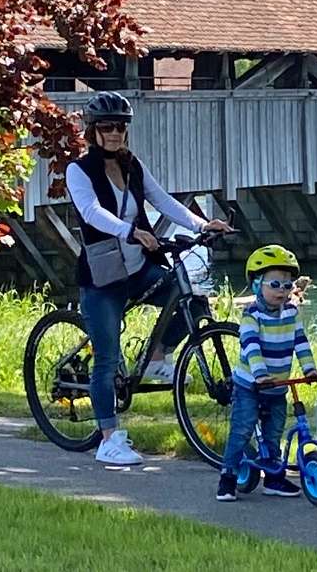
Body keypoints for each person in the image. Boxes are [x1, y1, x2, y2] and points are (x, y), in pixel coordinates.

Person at [65, 91, 231, 466]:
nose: (114, 133)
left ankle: (157, 356)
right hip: (102, 274)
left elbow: (163, 200)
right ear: (92, 131)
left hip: (138, 266)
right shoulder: (79, 170)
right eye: (106, 127)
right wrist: (129, 230)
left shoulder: (132, 166)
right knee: (106, 360)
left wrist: (204, 223)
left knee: (192, 300)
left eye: (120, 127)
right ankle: (108, 438)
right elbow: (90, 212)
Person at [216, 245, 317, 502]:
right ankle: (227, 476)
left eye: (288, 285)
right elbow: (251, 346)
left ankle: (274, 478)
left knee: (274, 430)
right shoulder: (252, 315)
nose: (282, 291)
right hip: (251, 385)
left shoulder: (291, 312)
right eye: (275, 284)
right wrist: (261, 374)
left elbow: (301, 342)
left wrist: (310, 369)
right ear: (256, 285)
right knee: (242, 429)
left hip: (278, 386)